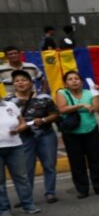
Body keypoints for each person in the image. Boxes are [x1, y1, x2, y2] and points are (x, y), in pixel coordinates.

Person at [55, 71, 99, 198]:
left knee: (95, 160)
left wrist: (97, 94)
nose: (74, 81)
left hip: (91, 129)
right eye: (70, 79)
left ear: (81, 82)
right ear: (66, 83)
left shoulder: (89, 93)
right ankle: (82, 189)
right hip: (71, 132)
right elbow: (62, 109)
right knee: (76, 162)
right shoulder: (62, 93)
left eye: (77, 78)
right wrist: (82, 105)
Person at [11, 69, 59, 204]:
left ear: (31, 83)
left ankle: (50, 193)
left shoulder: (44, 98)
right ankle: (26, 197)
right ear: (13, 84)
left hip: (46, 135)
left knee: (49, 165)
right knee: (26, 168)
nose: (20, 83)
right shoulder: (8, 102)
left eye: (24, 80)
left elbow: (55, 114)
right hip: (23, 138)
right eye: (17, 81)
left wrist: (43, 120)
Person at [0, 94, 38, 216]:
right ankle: (4, 209)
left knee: (22, 177)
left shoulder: (10, 105)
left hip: (15, 146)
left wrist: (19, 129)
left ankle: (28, 204)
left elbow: (22, 123)